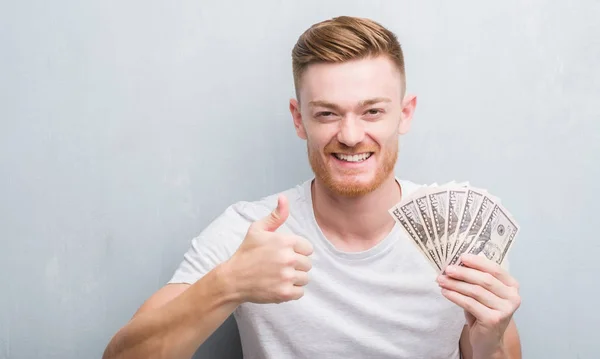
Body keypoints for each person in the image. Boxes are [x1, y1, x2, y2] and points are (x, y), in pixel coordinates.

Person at [102, 16, 522, 359]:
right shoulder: (251, 234)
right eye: (327, 114)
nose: (352, 135)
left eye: (372, 111)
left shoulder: (459, 236)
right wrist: (229, 284)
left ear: (405, 114)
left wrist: (489, 346)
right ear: (299, 118)